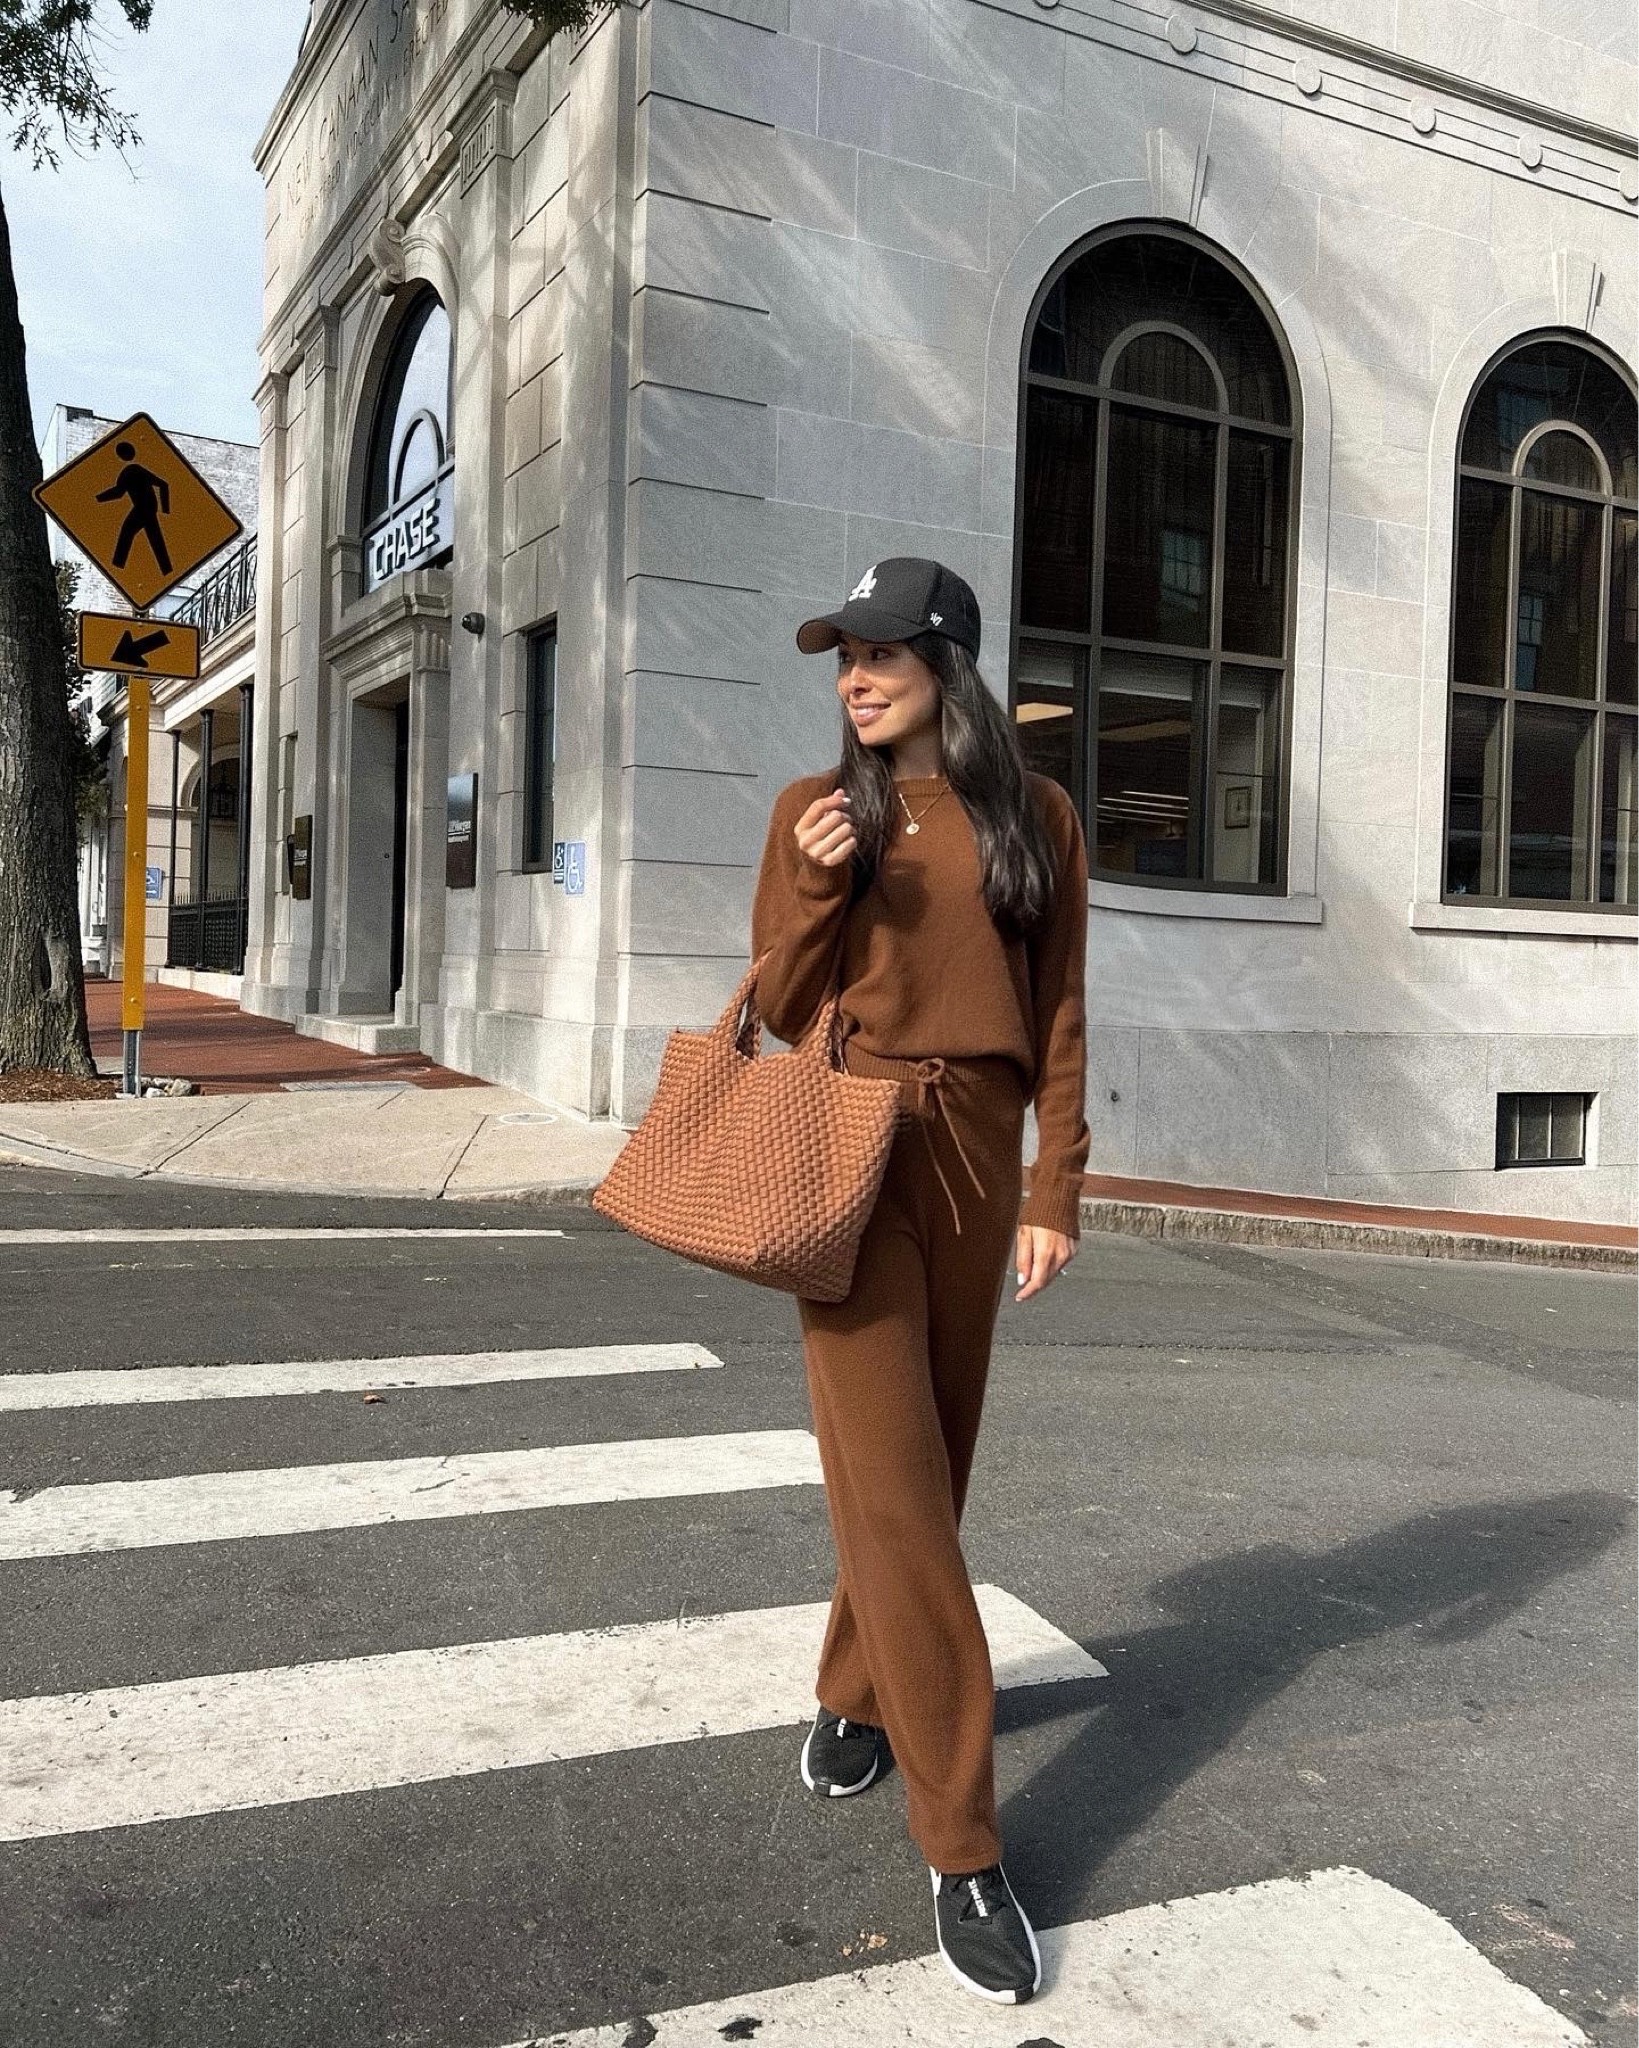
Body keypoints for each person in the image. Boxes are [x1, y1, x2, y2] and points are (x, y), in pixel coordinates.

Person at [750, 557, 1090, 2005]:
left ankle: (852, 1689)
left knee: (925, 1474)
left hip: (976, 1150)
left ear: (947, 659)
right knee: (893, 1487)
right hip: (850, 1142)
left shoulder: (1039, 816)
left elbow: (1064, 1004)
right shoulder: (818, 814)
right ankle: (963, 1844)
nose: (854, 676)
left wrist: (1055, 1188)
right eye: (843, 656)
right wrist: (823, 892)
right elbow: (773, 1005)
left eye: (880, 652)